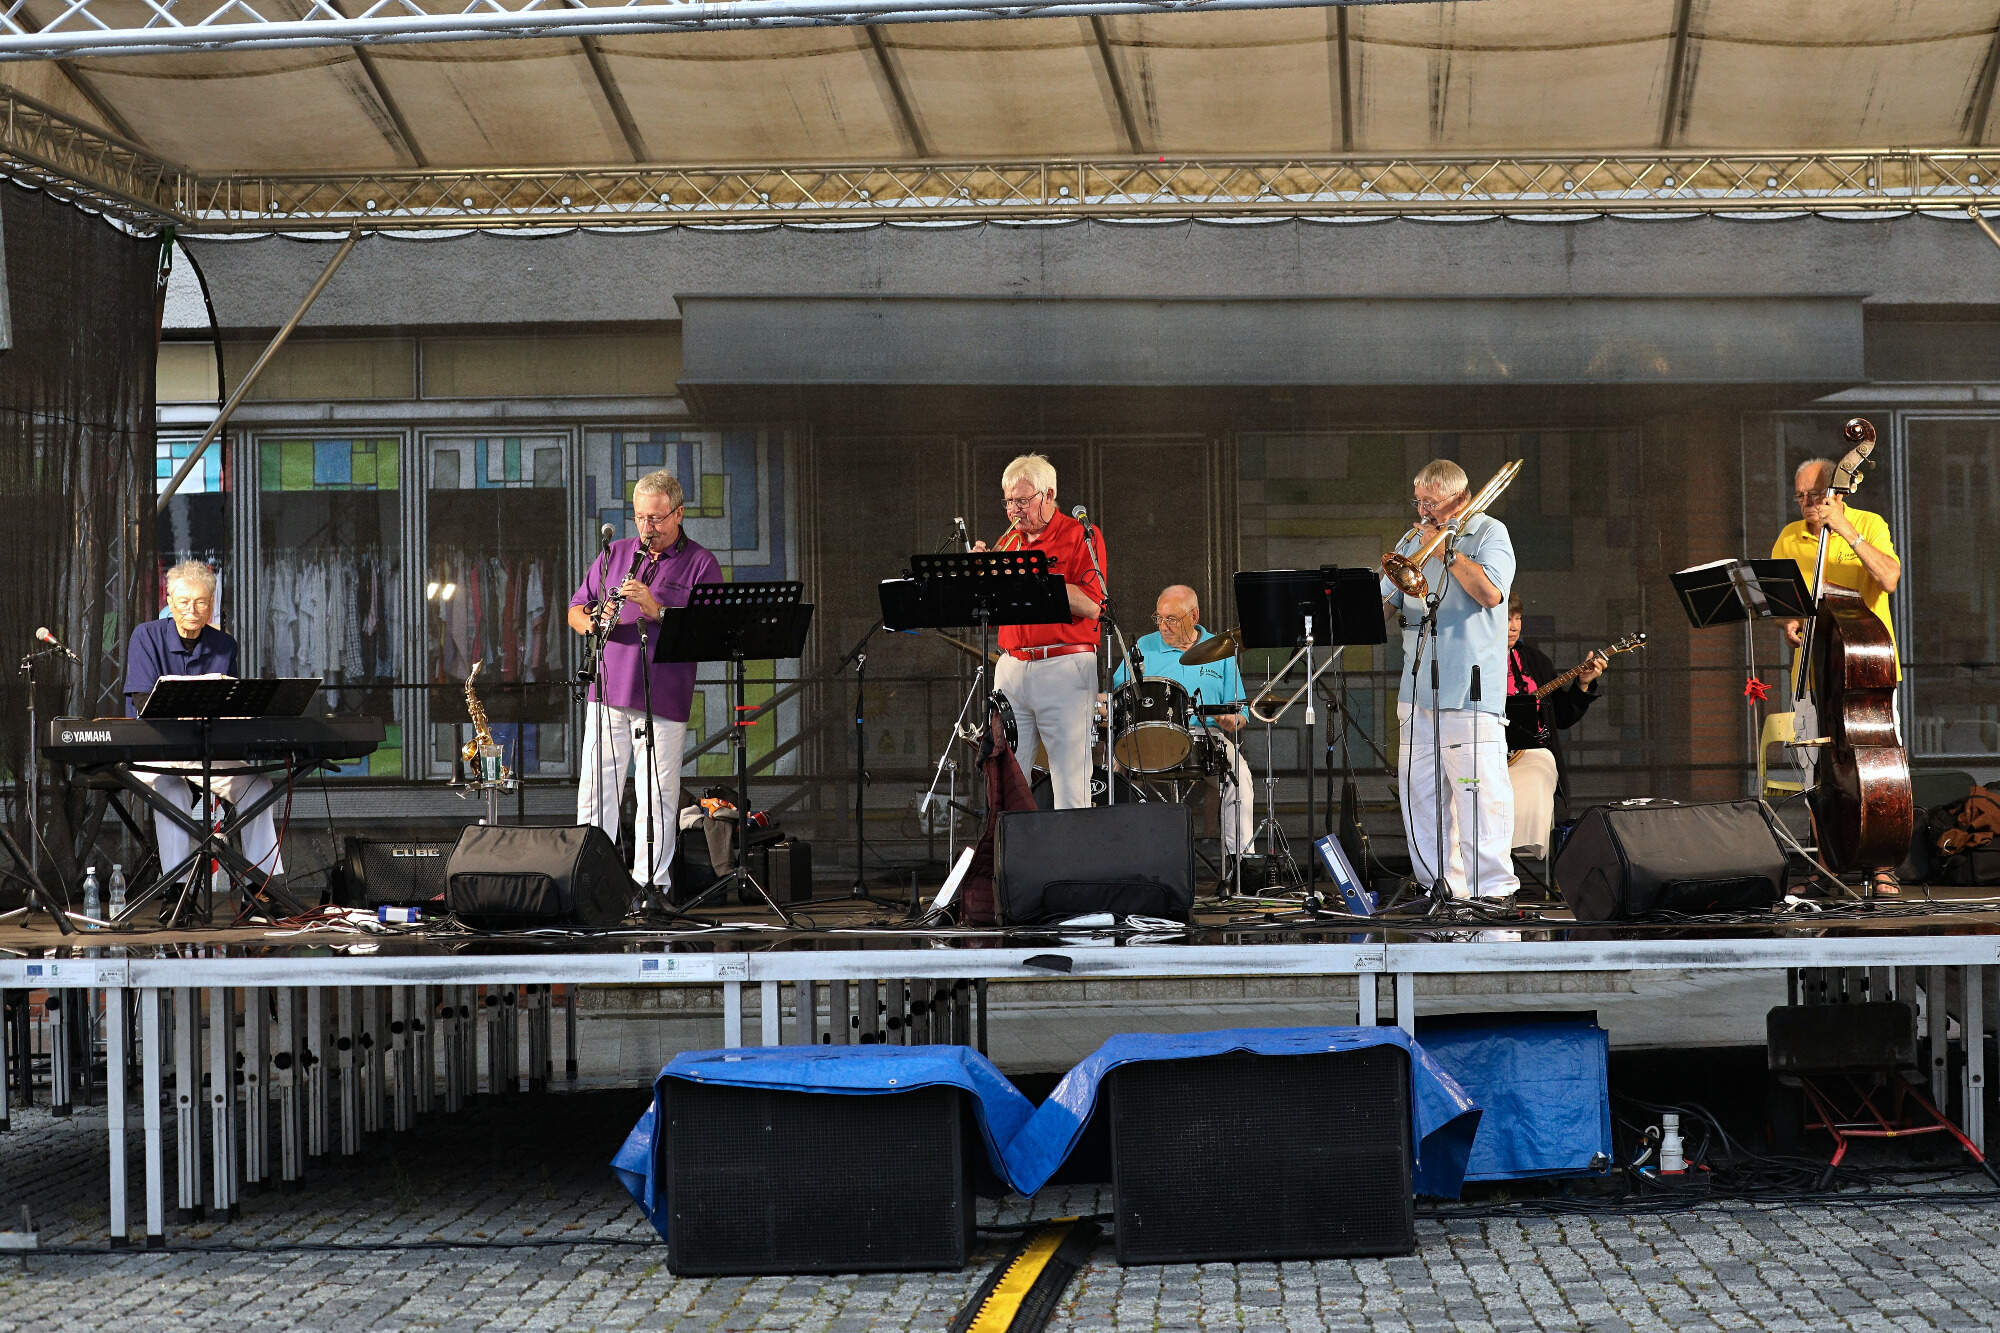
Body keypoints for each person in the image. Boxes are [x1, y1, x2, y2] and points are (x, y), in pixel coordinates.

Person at [569, 471, 722, 890]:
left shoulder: (701, 563)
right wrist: (594, 619)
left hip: (663, 696)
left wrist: (655, 608)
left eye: (655, 518)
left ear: (679, 513)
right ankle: (592, 885)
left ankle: (650, 887)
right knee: (596, 793)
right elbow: (575, 610)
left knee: (657, 796)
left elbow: (709, 632)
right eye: (639, 517)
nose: (647, 527)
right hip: (607, 690)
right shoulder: (615, 553)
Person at [1380, 459, 1517, 903]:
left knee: (1479, 797)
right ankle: (1439, 888)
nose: (1423, 511)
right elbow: (1386, 603)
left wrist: (1445, 553)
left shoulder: (1490, 532)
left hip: (1470, 689)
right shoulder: (1411, 540)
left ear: (1460, 498)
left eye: (1431, 502)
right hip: (1417, 690)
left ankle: (1493, 892)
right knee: (1420, 796)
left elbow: (1491, 593)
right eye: (1418, 501)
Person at [1770, 455, 1903, 893]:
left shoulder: (1869, 523)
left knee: (1878, 771)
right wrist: (1788, 622)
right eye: (1799, 496)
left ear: (1836, 491)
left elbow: (1888, 578)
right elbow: (1781, 603)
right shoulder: (1790, 536)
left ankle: (1881, 865)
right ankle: (1826, 865)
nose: (1806, 503)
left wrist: (1845, 529)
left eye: (1814, 494)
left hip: (1866, 668)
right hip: (1812, 672)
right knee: (1816, 776)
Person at [123, 560, 285, 893]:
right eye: (184, 602)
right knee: (173, 793)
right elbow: (143, 702)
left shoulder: (224, 645)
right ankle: (177, 892)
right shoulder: (146, 636)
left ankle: (263, 890)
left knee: (258, 786)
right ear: (169, 602)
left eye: (201, 602)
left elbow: (229, 704)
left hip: (203, 750)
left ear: (211, 605)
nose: (193, 610)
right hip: (153, 751)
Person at [971, 453, 1106, 810]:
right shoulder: (1008, 543)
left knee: (1071, 784)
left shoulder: (1081, 535)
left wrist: (1033, 578)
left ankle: (1072, 849)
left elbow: (1093, 604)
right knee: (1006, 781)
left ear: (1049, 495)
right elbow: (988, 610)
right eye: (1008, 502)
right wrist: (978, 576)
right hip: (1011, 667)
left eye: (1022, 501)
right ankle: (1013, 849)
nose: (1014, 511)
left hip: (1063, 666)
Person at [1110, 584, 1254, 859]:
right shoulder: (1144, 646)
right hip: (1151, 736)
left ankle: (1240, 860)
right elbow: (1119, 696)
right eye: (1159, 618)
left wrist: (1232, 721)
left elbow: (1241, 713)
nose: (1163, 626)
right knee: (1114, 774)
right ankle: (1120, 856)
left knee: (1240, 778)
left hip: (1206, 736)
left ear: (1194, 616)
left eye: (1172, 619)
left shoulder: (1222, 649)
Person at [1503, 595, 1606, 862]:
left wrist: (1583, 684)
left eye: (1518, 618)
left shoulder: (1536, 661)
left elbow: (1562, 716)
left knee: (1539, 768)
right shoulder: (1473, 660)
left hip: (1532, 754)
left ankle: (1520, 844)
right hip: (1486, 756)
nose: (1514, 626)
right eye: (1507, 619)